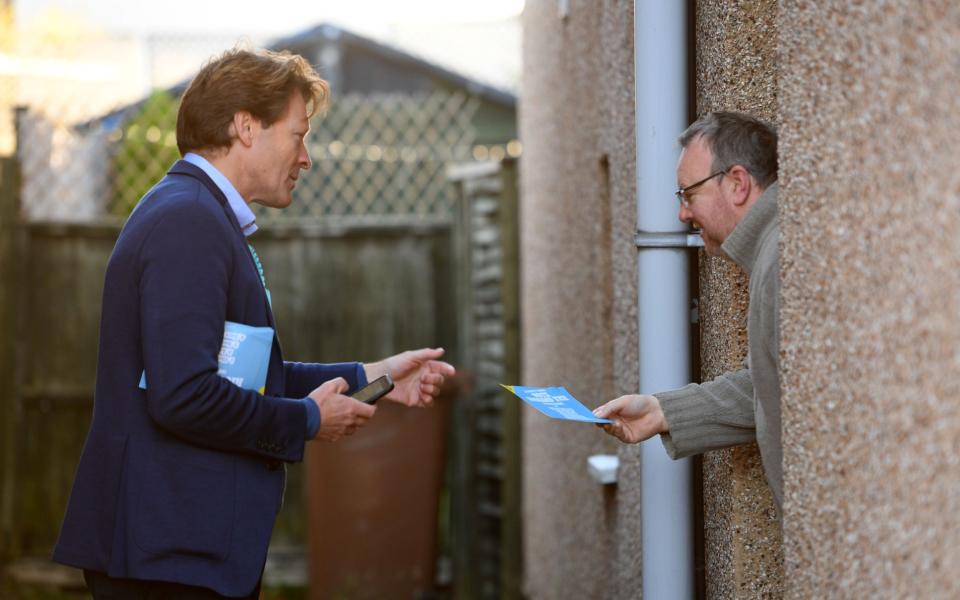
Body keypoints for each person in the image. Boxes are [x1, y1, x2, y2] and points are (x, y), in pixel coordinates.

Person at [52, 48, 455, 599]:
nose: (306, 157)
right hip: (165, 556)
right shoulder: (188, 222)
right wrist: (307, 422)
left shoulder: (197, 214)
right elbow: (185, 395)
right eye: (298, 134)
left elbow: (245, 378)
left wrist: (377, 375)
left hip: (179, 551)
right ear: (246, 127)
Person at [594, 111, 783, 509]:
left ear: (737, 183)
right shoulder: (773, 249)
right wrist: (661, 411)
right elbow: (767, 387)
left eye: (688, 193)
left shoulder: (781, 257)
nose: (682, 213)